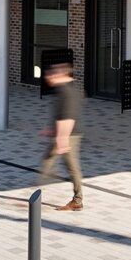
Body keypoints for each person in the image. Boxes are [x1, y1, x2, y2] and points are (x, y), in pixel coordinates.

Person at [36, 50, 84, 211]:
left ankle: (77, 200)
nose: (48, 78)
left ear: (60, 75)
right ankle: (38, 189)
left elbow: (69, 117)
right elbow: (61, 115)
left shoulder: (67, 92)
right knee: (48, 159)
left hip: (68, 136)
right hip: (62, 134)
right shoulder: (66, 90)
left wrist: (62, 139)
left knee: (71, 167)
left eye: (51, 75)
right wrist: (51, 131)